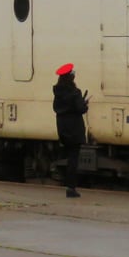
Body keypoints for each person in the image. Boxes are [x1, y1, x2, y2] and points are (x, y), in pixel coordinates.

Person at [52, 63, 89, 198]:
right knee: (73, 159)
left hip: (62, 127)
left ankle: (68, 185)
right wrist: (84, 104)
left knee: (68, 157)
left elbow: (56, 108)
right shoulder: (75, 92)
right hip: (74, 127)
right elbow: (81, 109)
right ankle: (71, 188)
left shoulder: (57, 92)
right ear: (71, 78)